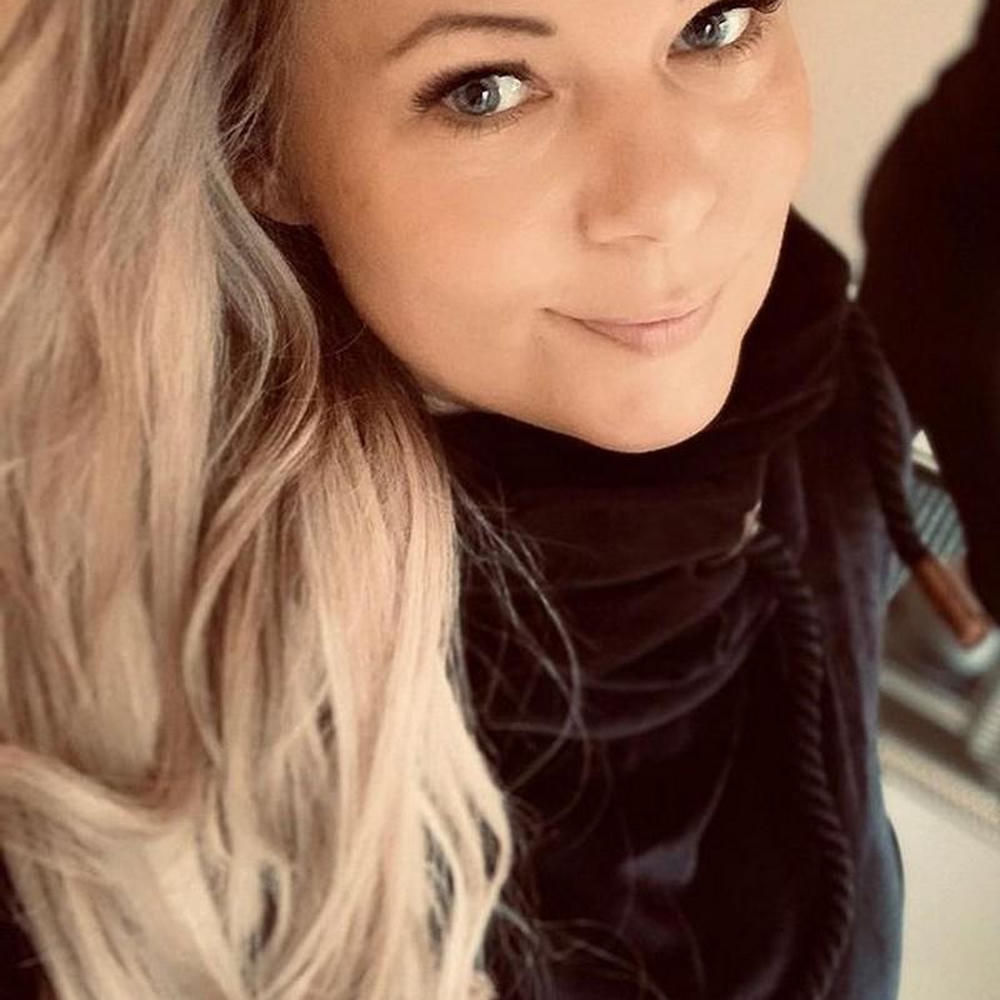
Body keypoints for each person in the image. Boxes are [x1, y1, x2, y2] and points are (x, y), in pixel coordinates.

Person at [0, 2, 981, 998]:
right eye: (486, 90)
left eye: (712, 24)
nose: (670, 198)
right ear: (259, 141)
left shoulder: (813, 387)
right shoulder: (98, 727)